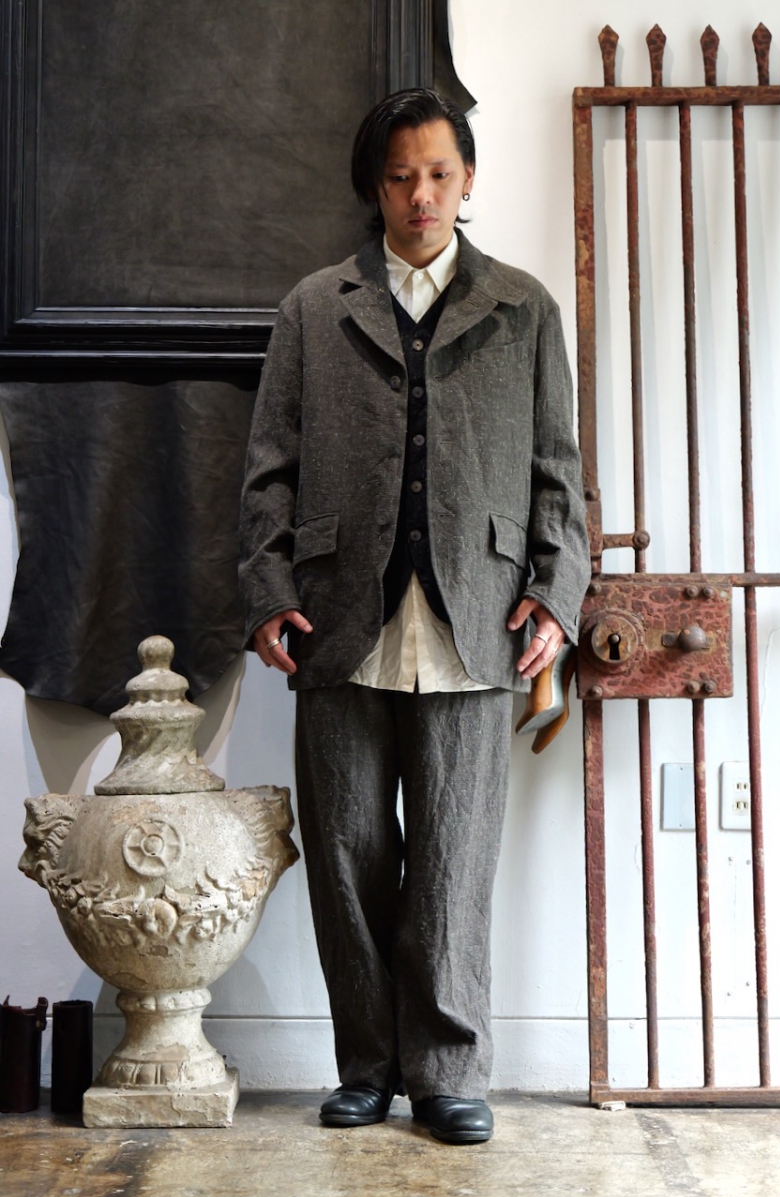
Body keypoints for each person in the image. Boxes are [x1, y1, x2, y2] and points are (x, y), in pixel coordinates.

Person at [239, 88, 590, 1144]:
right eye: (400, 177)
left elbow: (558, 474)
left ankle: (447, 1070)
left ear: (467, 178)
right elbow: (268, 469)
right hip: (338, 619)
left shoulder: (524, 308)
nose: (420, 194)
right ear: (376, 186)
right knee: (348, 856)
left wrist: (556, 595)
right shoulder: (314, 307)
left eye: (438, 173)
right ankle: (366, 1066)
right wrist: (269, 590)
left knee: (452, 860)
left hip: (478, 619)